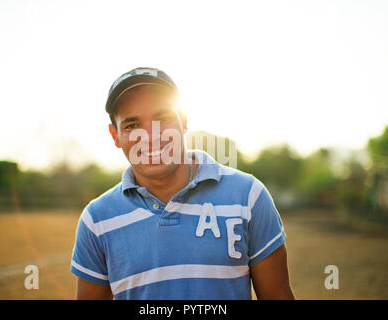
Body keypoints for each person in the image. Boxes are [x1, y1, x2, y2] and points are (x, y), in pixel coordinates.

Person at [70, 67, 295, 300]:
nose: (151, 136)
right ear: (115, 135)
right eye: (132, 125)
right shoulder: (96, 220)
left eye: (163, 119)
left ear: (184, 121)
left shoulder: (249, 196)